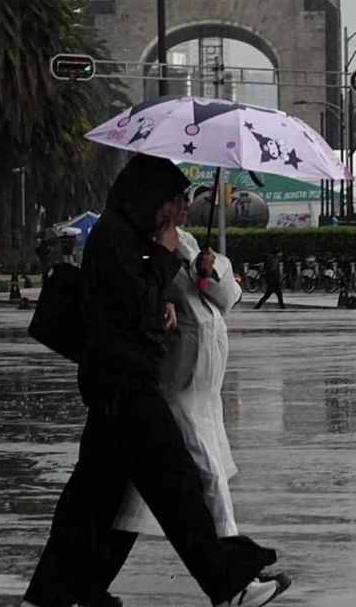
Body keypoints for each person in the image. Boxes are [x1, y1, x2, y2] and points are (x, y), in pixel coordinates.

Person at [22, 155, 288, 607]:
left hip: (122, 385)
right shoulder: (114, 237)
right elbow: (133, 303)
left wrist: (165, 287)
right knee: (178, 490)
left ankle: (53, 594)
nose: (182, 211)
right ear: (152, 199)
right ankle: (228, 587)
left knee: (95, 502)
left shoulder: (131, 236)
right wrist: (163, 261)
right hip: (127, 388)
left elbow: (142, 303)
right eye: (176, 201)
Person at [115, 215, 244, 541]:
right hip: (178, 384)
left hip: (205, 389)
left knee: (135, 493)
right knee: (209, 471)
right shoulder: (142, 248)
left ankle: (96, 570)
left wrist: (209, 271)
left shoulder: (189, 246)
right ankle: (230, 553)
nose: (182, 208)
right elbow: (136, 299)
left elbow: (227, 298)